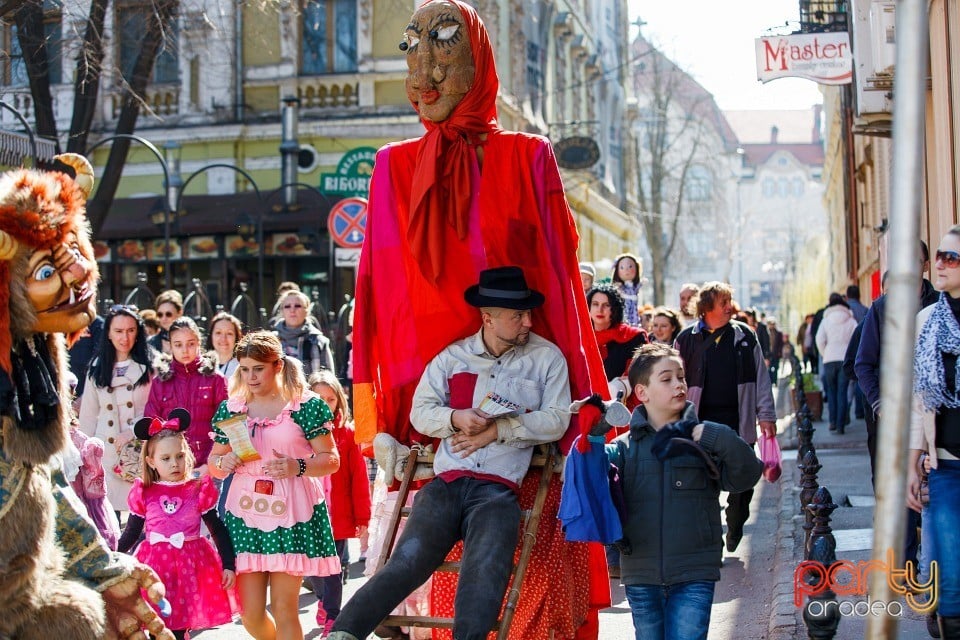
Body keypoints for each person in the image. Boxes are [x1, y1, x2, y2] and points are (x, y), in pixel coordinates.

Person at [350, 1, 609, 635]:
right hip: (436, 431)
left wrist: (580, 400)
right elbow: (375, 300)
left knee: (514, 573)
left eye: (444, 46)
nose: (425, 69)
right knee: (429, 560)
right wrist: (376, 420)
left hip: (524, 429)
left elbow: (560, 281)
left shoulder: (527, 157)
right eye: (413, 47)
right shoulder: (394, 167)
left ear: (479, 58)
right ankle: (346, 626)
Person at [329, 266, 571, 640]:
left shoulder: (546, 358)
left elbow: (557, 419)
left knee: (486, 568)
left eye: (526, 314)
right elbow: (420, 412)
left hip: (498, 490)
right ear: (488, 318)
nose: (527, 322)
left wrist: (499, 429)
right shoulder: (453, 357)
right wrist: (456, 417)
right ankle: (343, 632)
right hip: (445, 483)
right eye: (517, 315)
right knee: (407, 561)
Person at [574, 343, 762, 640]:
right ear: (642, 393)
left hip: (695, 571)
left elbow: (746, 476)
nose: (679, 385)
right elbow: (590, 482)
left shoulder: (705, 439)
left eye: (682, 377)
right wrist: (594, 436)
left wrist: (717, 435)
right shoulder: (623, 448)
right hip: (640, 573)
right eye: (666, 379)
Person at [208, 331, 341, 640]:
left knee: (284, 609)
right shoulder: (232, 409)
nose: (251, 376)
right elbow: (213, 464)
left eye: (258, 368)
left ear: (278, 366)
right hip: (244, 517)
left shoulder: (306, 406)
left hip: (291, 514)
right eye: (245, 368)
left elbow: (331, 459)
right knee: (250, 615)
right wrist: (222, 464)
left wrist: (298, 466)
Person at [116, 409, 238, 640]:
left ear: (187, 455)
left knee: (179, 628)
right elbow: (131, 532)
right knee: (155, 624)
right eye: (166, 458)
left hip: (190, 568)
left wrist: (228, 564)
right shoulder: (144, 491)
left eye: (179, 456)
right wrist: (113, 556)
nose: (175, 463)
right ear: (151, 461)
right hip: (154, 569)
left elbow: (217, 528)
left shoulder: (197, 489)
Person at [673, 282, 776, 553]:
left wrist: (766, 415)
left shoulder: (745, 336)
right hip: (700, 427)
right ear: (707, 308)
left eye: (730, 301)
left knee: (743, 481)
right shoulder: (685, 340)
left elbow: (761, 378)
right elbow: (673, 380)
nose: (730, 307)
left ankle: (736, 523)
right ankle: (712, 540)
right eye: (723, 302)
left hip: (739, 424)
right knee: (704, 485)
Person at [908, 226, 960, 639]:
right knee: (952, 579)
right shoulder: (927, 320)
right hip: (945, 466)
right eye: (939, 254)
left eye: (951, 258)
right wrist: (913, 460)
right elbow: (919, 398)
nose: (939, 263)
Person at [306, 370, 371, 636]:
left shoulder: (346, 435)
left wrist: (362, 518)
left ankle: (333, 614)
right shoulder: (299, 432)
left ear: (339, 402)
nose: (324, 404)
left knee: (333, 565)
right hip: (307, 512)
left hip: (337, 515)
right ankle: (323, 599)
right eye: (317, 398)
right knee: (312, 566)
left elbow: (359, 478)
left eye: (330, 399)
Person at [78, 304, 155, 516]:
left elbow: (156, 409)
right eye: (119, 331)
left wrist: (134, 431)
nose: (125, 337)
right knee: (108, 517)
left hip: (140, 453)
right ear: (109, 334)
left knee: (141, 516)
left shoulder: (150, 367)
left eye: (131, 330)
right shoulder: (96, 366)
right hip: (106, 454)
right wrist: (84, 457)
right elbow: (88, 415)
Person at [145, 316, 228, 470]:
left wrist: (211, 462)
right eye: (178, 345)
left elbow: (224, 426)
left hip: (207, 466)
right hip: (171, 467)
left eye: (190, 344)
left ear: (199, 343)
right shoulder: (160, 382)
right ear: (170, 346)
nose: (185, 350)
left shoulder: (215, 379)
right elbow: (152, 425)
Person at [815, 293, 858, 434]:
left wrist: (825, 353)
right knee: (842, 392)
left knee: (831, 391)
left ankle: (832, 422)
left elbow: (819, 339)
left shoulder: (826, 320)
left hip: (829, 359)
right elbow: (857, 339)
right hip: (845, 359)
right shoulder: (851, 320)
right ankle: (841, 425)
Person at [274, 289, 335, 377]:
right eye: (287, 306)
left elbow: (328, 379)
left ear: (307, 310)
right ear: (282, 311)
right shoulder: (271, 340)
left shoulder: (319, 341)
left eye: (297, 306)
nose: (292, 310)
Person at [611, 253, 643, 327]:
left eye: (630, 267)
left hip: (634, 312)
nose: (626, 270)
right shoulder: (618, 287)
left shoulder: (635, 287)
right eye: (622, 267)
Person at [208, 311, 243, 379]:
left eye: (229, 333)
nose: (223, 338)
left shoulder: (243, 368)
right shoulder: (201, 367)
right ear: (211, 336)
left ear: (236, 337)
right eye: (218, 332)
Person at [149, 290, 184, 355]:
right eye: (160, 315)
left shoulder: (191, 339)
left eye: (168, 314)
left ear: (180, 312)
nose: (164, 318)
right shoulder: (151, 343)